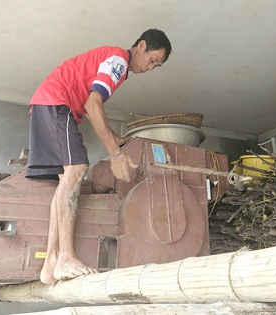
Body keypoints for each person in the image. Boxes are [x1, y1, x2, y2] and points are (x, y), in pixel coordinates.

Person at [25, 29, 172, 284]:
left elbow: (93, 109)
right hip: (57, 104)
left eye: (156, 66)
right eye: (152, 60)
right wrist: (115, 154)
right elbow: (93, 105)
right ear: (141, 46)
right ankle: (66, 257)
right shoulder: (118, 60)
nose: (150, 68)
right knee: (77, 169)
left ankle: (50, 263)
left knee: (66, 180)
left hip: (47, 105)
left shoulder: (115, 64)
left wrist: (115, 138)